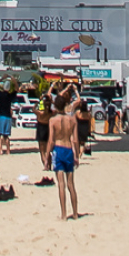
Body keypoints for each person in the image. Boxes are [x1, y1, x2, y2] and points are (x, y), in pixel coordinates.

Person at [48, 87, 81, 220]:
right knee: (71, 184)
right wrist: (77, 155)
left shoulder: (53, 120)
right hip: (68, 150)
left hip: (58, 149)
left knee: (61, 184)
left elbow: (51, 140)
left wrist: (47, 156)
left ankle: (63, 215)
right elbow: (76, 140)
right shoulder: (72, 120)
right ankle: (75, 213)